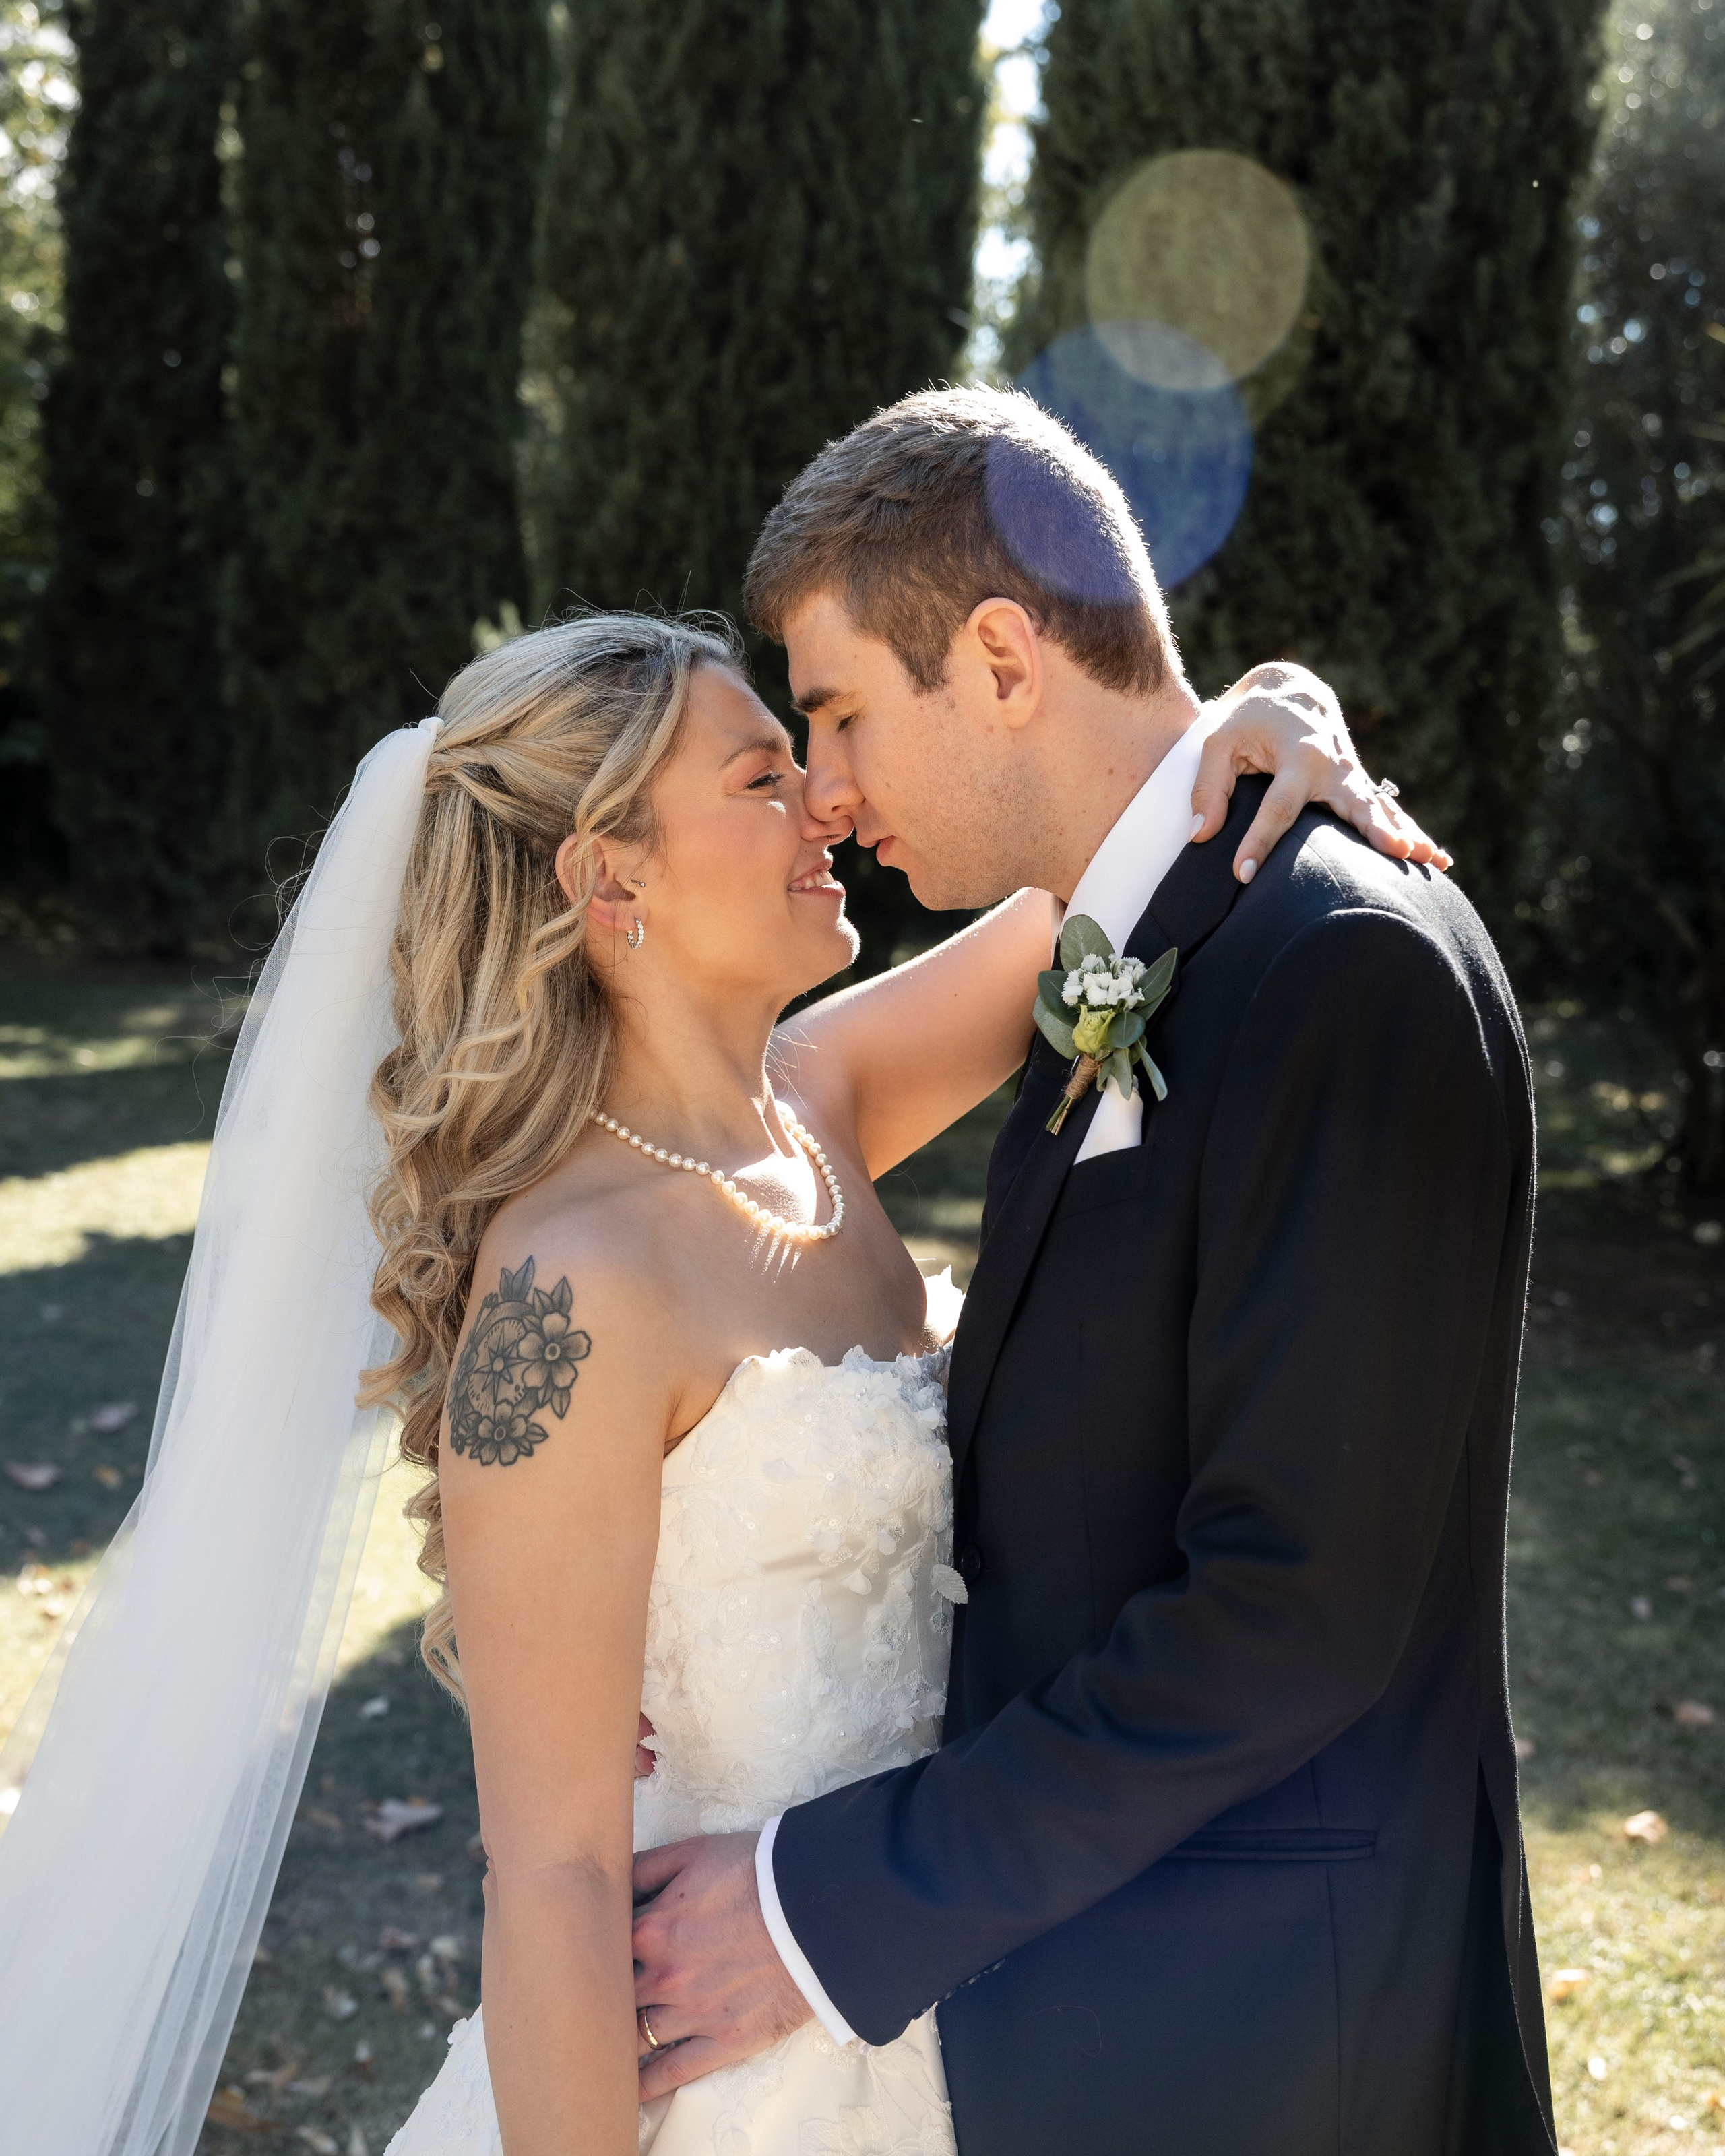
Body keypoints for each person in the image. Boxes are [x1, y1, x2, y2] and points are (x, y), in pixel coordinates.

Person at [622, 387, 1557, 2156]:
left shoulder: (1337, 965)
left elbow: (1290, 1613)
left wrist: (828, 1906)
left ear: (999, 658)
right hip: (1114, 2021)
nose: (826, 788)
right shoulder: (1135, 941)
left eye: (838, 711)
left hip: (1281, 2054)